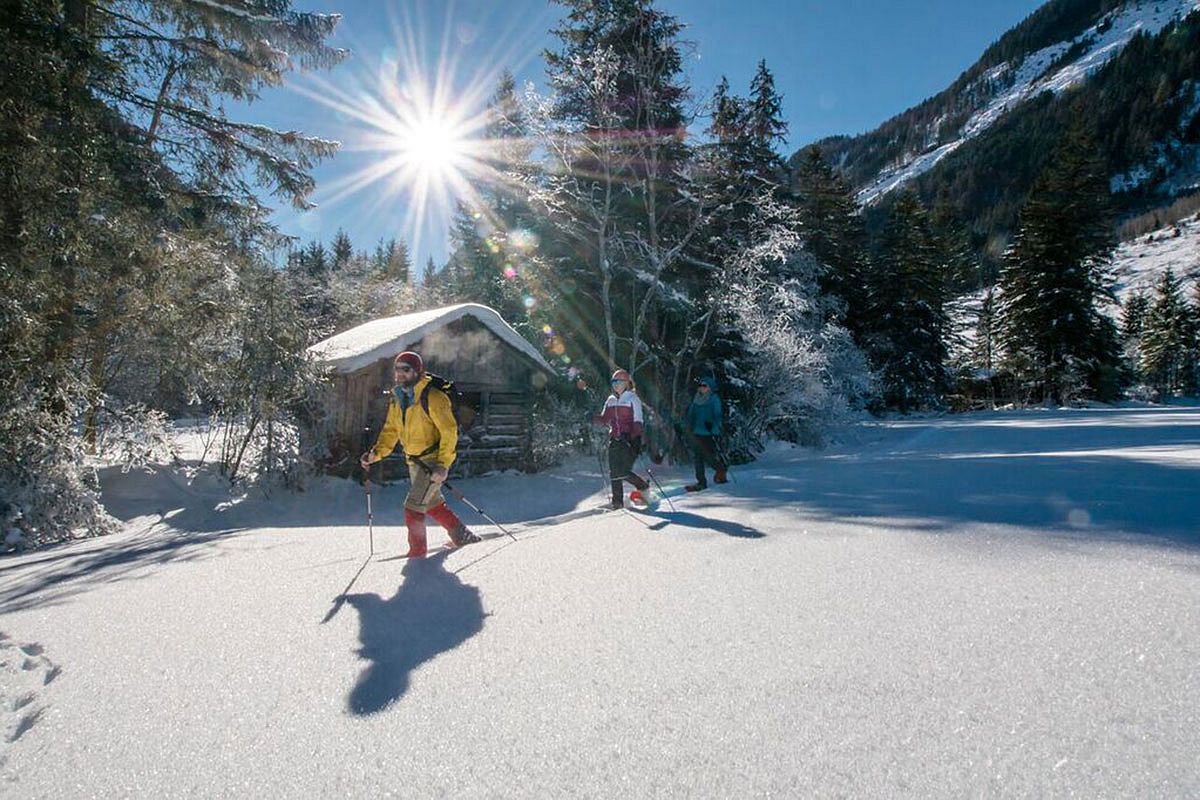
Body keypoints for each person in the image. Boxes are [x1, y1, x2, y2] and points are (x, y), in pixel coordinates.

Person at [360, 351, 480, 558]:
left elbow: (449, 432)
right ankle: (463, 536)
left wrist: (443, 465)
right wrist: (375, 454)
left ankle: (417, 556)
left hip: (432, 462)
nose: (400, 374)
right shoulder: (398, 398)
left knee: (413, 507)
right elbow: (391, 430)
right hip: (413, 461)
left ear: (417, 371)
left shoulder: (433, 397)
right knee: (432, 504)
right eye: (397, 369)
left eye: (405, 369)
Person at [593, 368, 652, 509]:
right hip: (615, 439)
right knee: (614, 472)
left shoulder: (633, 398)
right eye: (613, 381)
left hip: (631, 440)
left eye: (619, 381)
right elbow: (605, 418)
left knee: (623, 471)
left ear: (626, 383)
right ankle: (617, 503)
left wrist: (631, 435)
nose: (616, 384)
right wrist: (594, 418)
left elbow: (638, 421)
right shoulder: (611, 400)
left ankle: (642, 485)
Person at [683, 376, 728, 492]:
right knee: (698, 458)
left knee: (708, 457)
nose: (701, 388)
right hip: (696, 432)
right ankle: (701, 482)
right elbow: (691, 414)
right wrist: (687, 425)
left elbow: (718, 416)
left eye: (704, 386)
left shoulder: (714, 399)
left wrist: (713, 427)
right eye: (700, 386)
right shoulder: (697, 398)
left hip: (708, 433)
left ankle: (720, 469)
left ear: (710, 388)